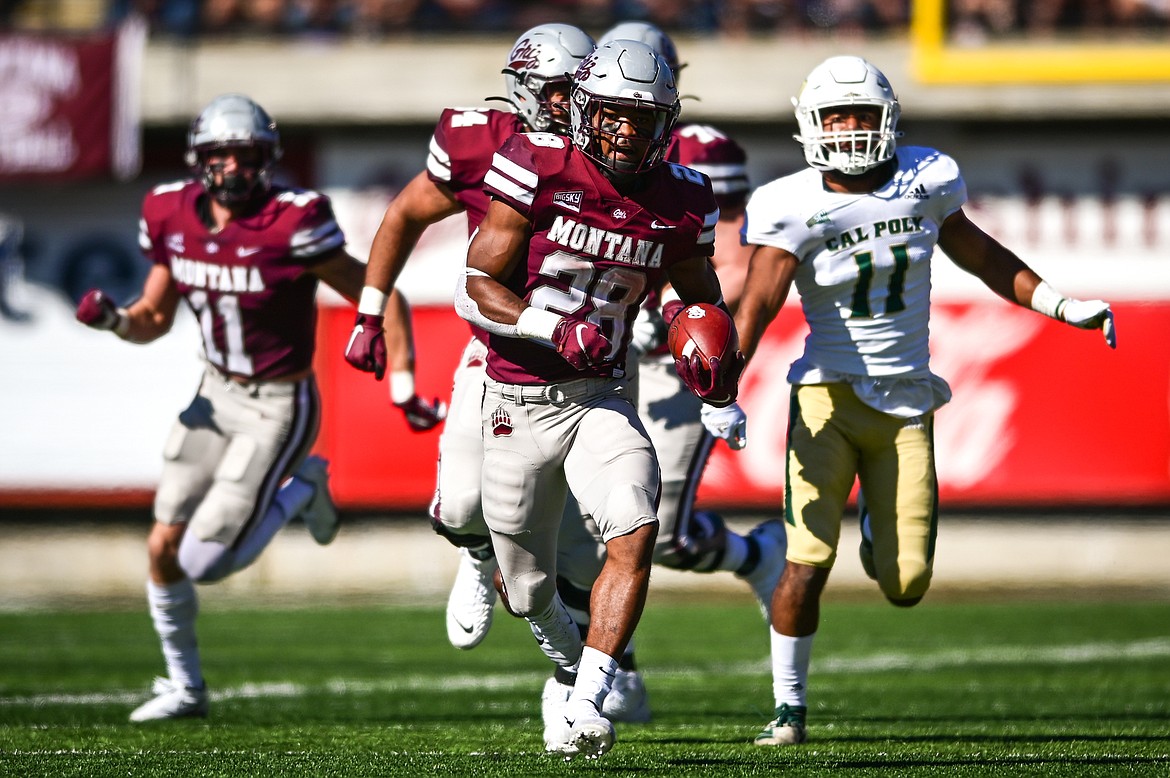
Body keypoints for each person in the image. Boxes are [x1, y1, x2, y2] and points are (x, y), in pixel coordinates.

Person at [732, 56, 1117, 746]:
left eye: (861, 115)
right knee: (805, 561)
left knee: (906, 584)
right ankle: (788, 711)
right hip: (824, 397)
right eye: (835, 117)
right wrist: (719, 387)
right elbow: (758, 302)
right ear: (810, 125)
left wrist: (1061, 304)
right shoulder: (789, 201)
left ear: (888, 119)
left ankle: (879, 533)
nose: (849, 130)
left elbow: (984, 256)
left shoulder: (926, 177)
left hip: (906, 402)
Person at [342, 22, 651, 739]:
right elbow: (405, 215)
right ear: (523, 89)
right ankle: (478, 559)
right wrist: (368, 309)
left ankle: (581, 677)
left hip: (592, 365)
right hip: (499, 353)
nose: (568, 104)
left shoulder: (620, 152)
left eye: (579, 90)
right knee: (461, 507)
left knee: (596, 536)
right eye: (555, 91)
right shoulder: (482, 143)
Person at [73, 93, 403, 722]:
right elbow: (152, 318)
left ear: (267, 160)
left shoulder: (294, 220)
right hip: (214, 393)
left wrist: (397, 361)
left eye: (245, 155)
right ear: (200, 159)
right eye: (220, 155)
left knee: (206, 561)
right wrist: (115, 319)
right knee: (162, 544)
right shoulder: (172, 214)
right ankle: (185, 687)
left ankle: (301, 489)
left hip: (278, 401)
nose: (231, 168)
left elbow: (373, 289)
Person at [455, 39, 743, 759]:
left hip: (600, 399)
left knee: (635, 526)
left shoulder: (683, 198)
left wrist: (707, 357)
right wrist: (553, 326)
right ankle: (564, 662)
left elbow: (699, 299)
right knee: (525, 590)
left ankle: (589, 700)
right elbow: (474, 285)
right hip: (515, 399)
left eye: (644, 119)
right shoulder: (536, 167)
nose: (626, 132)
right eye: (614, 115)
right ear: (586, 111)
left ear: (666, 123)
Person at [603, 21, 788, 624]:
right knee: (591, 519)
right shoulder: (577, 155)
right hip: (600, 360)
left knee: (664, 535)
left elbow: (737, 258)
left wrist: (672, 311)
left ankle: (755, 555)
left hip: (668, 366)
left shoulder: (699, 152)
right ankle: (605, 666)